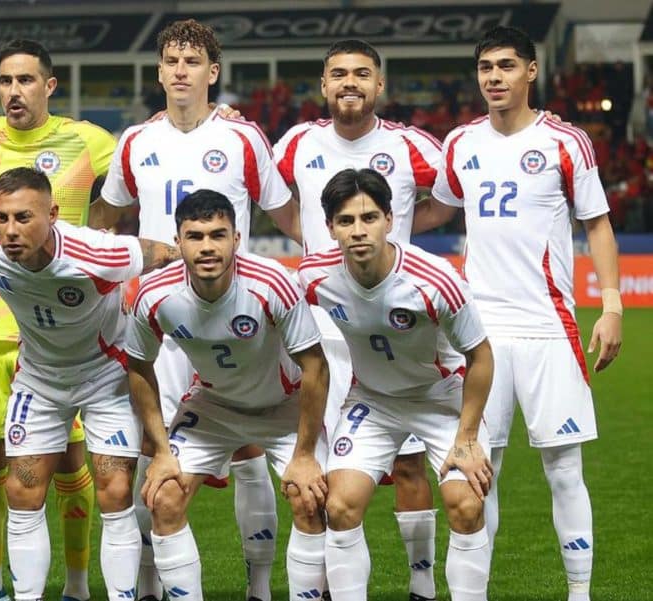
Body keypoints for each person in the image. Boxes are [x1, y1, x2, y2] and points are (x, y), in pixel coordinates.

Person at [92, 19, 300, 601]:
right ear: (159, 72)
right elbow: (106, 221)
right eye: (171, 60)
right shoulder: (136, 141)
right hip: (159, 321)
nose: (181, 70)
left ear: (213, 73)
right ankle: (152, 584)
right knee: (150, 457)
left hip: (235, 318)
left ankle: (259, 585)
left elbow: (286, 216)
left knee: (249, 450)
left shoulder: (243, 138)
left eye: (192, 61)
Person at [427, 26, 622, 601]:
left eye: (506, 66)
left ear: (530, 71)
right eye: (486, 67)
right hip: (480, 334)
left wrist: (611, 306)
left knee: (564, 471)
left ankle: (580, 594)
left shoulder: (566, 141)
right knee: (478, 475)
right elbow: (438, 209)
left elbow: (598, 224)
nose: (494, 77)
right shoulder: (461, 143)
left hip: (548, 330)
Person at [0, 41, 115, 601]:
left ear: (49, 85)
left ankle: (79, 585)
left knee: (69, 463)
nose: (14, 90)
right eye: (5, 81)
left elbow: (151, 153)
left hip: (68, 336)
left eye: (26, 80)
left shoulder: (90, 140)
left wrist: (217, 115)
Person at [272, 39, 445, 601]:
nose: (350, 82)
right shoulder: (297, 142)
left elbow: (451, 196)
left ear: (379, 85)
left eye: (362, 74)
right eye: (339, 74)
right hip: (320, 332)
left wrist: (412, 232)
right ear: (323, 85)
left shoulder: (410, 144)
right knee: (322, 469)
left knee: (411, 464)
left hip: (397, 329)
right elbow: (266, 193)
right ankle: (322, 586)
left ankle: (421, 585)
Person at [0, 166, 179, 601]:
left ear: (54, 213)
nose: (10, 230)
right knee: (21, 490)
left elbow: (159, 252)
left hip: (104, 376)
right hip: (40, 378)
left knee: (115, 491)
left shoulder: (97, 254)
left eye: (24, 217)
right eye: (2, 217)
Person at [297, 168, 494, 601]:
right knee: (340, 505)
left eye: (369, 218)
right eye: (346, 221)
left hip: (441, 399)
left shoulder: (435, 279)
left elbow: (480, 356)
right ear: (330, 228)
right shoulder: (314, 277)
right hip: (373, 399)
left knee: (465, 504)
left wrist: (467, 436)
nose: (359, 231)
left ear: (389, 218)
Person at [126, 189, 328, 601]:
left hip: (282, 406)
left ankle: (264, 591)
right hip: (213, 406)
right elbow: (139, 366)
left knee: (311, 500)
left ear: (237, 239)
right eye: (195, 236)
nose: (207, 247)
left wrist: (305, 455)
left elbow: (316, 366)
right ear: (178, 240)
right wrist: (162, 450)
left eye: (218, 235)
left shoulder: (272, 283)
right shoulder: (153, 295)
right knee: (163, 498)